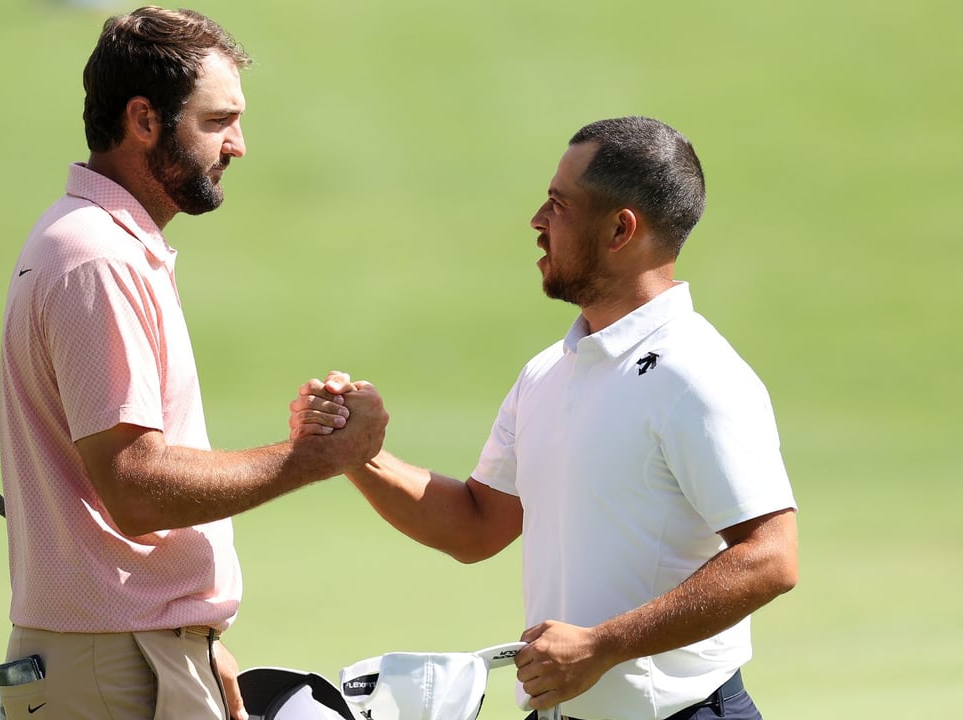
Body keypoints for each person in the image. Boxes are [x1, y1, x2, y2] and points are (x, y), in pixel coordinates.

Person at [291, 117, 798, 720]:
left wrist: (603, 646)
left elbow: (771, 556)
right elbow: (477, 526)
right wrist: (360, 454)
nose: (537, 220)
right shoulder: (549, 373)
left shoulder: (697, 374)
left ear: (620, 229)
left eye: (559, 204)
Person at [0, 7, 386, 720]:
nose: (238, 145)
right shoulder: (100, 259)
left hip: (125, 651)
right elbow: (135, 487)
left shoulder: (95, 243)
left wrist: (189, 638)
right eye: (217, 121)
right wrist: (314, 457)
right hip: (112, 668)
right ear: (144, 120)